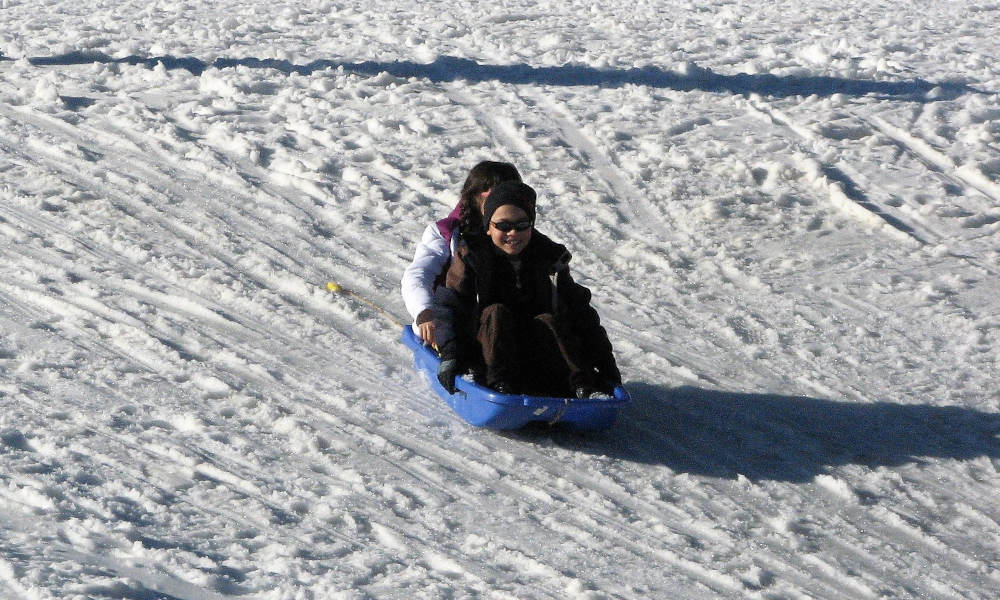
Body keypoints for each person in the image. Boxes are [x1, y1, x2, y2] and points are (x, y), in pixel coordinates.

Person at [433, 180, 621, 399]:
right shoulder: (472, 257)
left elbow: (581, 313)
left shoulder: (549, 258)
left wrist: (605, 363)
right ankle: (501, 387)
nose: (513, 233)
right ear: (487, 227)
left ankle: (582, 386)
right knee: (495, 314)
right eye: (503, 226)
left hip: (538, 357)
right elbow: (449, 306)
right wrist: (451, 354)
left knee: (549, 321)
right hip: (485, 355)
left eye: (522, 225)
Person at [400, 161, 522, 347]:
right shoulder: (446, 234)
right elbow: (418, 274)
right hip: (450, 319)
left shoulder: (520, 235)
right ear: (475, 197)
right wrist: (424, 311)